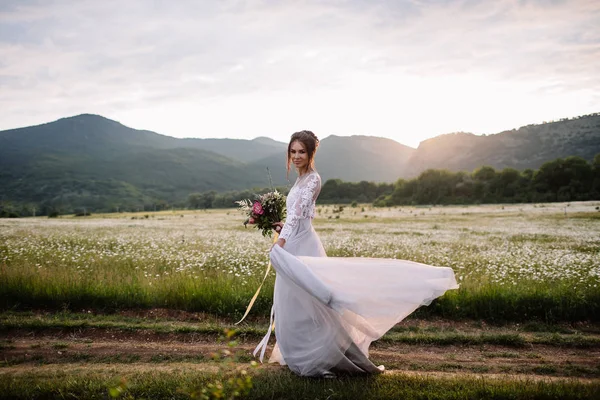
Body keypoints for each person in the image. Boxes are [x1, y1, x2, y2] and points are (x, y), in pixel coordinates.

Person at [253, 130, 459, 378]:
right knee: (293, 302)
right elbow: (298, 217)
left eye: (301, 152)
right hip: (293, 242)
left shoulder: (313, 180)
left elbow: (297, 216)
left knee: (317, 302)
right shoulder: (299, 180)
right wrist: (281, 228)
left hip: (302, 246)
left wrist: (281, 241)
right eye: (293, 152)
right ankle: (300, 352)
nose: (296, 156)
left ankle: (324, 356)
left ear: (311, 154)